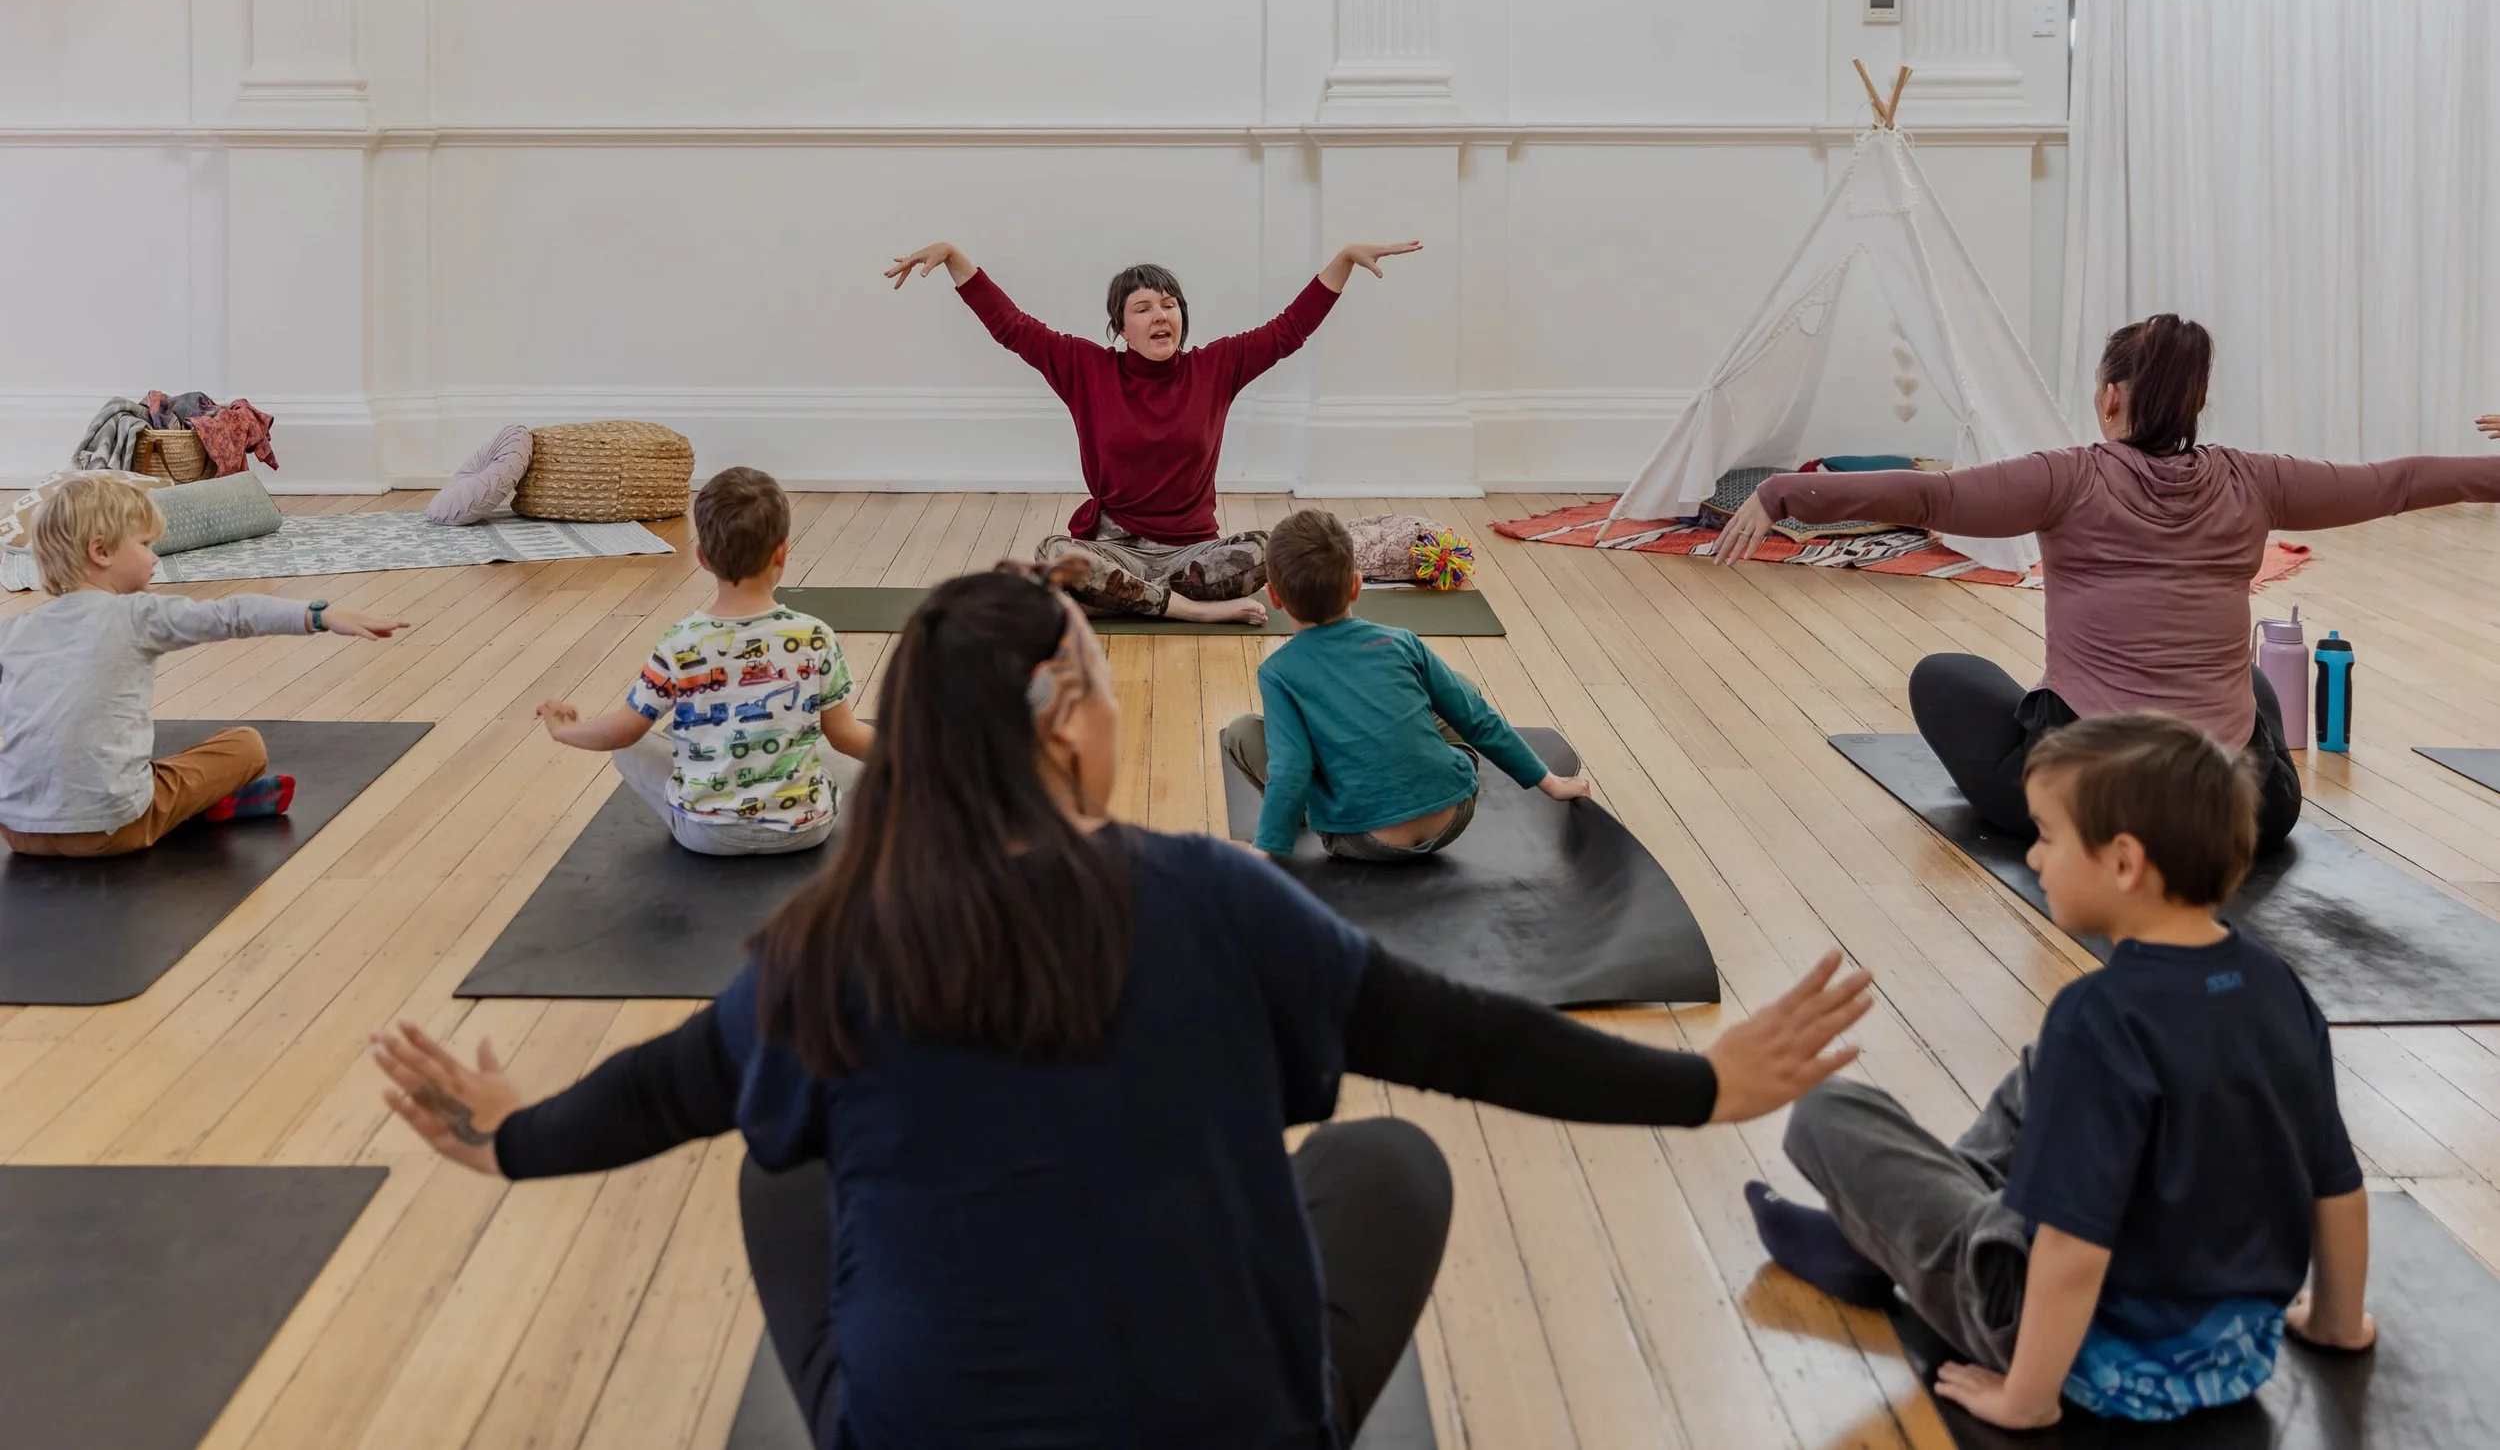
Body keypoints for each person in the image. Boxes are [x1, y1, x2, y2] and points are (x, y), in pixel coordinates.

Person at [376, 565, 1876, 1449]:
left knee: (782, 1168)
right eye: (1095, 681)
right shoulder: (1218, 900)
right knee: (1390, 1163)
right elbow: (1459, 1038)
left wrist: (513, 1138)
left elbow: (658, 1094)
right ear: (1060, 722)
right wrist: (1703, 1087)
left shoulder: (821, 951)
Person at [1749, 713, 2374, 1430]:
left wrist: (2027, 1399)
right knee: (2051, 1069)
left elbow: (2074, 1249)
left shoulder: (2097, 1017)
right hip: (2234, 1354)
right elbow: (2338, 1186)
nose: (2035, 857)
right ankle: (1882, 1243)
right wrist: (2336, 1323)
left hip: (2088, 1357)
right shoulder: (2276, 987)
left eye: (2048, 837)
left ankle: (1876, 1247)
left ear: (2124, 862)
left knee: (1826, 1111)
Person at [1719, 313, 2500, 853]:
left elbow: (1931, 498)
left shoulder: (2066, 477)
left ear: (2111, 396)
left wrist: (1784, 492)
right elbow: (2396, 483)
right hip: (2246, 815)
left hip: (2093, 805)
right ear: (2196, 401)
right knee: (2254, 681)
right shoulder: (2255, 480)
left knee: (1944, 676)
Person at [885, 237, 1422, 624]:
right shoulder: (1085, 367)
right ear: (1121, 327)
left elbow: (1289, 330)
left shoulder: (1217, 366)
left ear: (1182, 317)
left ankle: (1122, 599)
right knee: (1055, 554)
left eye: (1169, 305)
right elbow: (1014, 327)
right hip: (1114, 548)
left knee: (1266, 547)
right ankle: (1188, 610)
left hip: (1193, 558)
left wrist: (1343, 261)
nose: (1160, 315)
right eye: (1142, 308)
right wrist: (954, 257)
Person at [0, 474, 406, 856]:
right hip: (112, 830)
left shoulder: (13, 631)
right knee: (245, 745)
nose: (154, 556)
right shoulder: (136, 616)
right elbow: (232, 615)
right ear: (101, 551)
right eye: (145, 544)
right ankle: (205, 808)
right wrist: (319, 616)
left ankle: (185, 804)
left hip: (18, 831)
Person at [1221, 508, 1591, 860]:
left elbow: (1291, 769)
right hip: (1454, 815)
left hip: (1362, 840)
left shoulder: (1278, 672)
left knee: (1241, 731)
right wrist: (1552, 783)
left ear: (1273, 596)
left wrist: (1264, 851)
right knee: (1459, 688)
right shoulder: (1401, 642)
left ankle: (1307, 814)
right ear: (1356, 586)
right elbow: (1478, 718)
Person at [535, 467, 870, 856]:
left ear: (702, 558)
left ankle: (704, 801)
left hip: (706, 836)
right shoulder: (815, 635)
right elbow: (846, 736)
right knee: (837, 752)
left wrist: (565, 731)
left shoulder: (680, 642)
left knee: (627, 747)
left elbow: (623, 733)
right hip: (805, 830)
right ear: (782, 552)